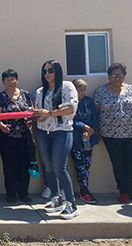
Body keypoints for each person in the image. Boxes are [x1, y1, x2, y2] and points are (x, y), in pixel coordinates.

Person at [34, 60, 79, 220]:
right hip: (43, 132)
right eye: (44, 71)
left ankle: (71, 203)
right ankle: (57, 198)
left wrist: (50, 113)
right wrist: (38, 116)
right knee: (48, 167)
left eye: (50, 70)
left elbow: (71, 109)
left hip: (62, 131)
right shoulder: (40, 91)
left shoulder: (67, 87)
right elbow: (40, 113)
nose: (47, 74)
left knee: (59, 167)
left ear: (57, 71)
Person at [94, 62, 132, 203]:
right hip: (110, 134)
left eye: (120, 75)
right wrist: (96, 131)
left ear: (124, 76)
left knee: (131, 162)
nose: (117, 78)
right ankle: (124, 191)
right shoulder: (100, 92)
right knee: (118, 163)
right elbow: (96, 113)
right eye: (113, 75)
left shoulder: (131, 90)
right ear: (109, 76)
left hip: (131, 133)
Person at [0, 69, 33, 204]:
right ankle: (11, 194)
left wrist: (30, 121)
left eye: (12, 79)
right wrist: (2, 126)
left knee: (24, 165)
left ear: (17, 79)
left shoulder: (26, 95)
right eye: (7, 80)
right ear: (3, 82)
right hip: (7, 137)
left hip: (24, 136)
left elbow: (31, 112)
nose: (10, 82)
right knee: (9, 166)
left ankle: (23, 193)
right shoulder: (0, 97)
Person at [71, 79, 99, 204]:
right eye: (79, 90)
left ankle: (85, 188)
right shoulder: (71, 102)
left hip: (89, 138)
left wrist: (91, 129)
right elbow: (72, 119)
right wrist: (84, 127)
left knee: (87, 165)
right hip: (76, 138)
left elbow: (94, 116)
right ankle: (84, 190)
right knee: (79, 165)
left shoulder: (88, 101)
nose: (82, 93)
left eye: (83, 90)